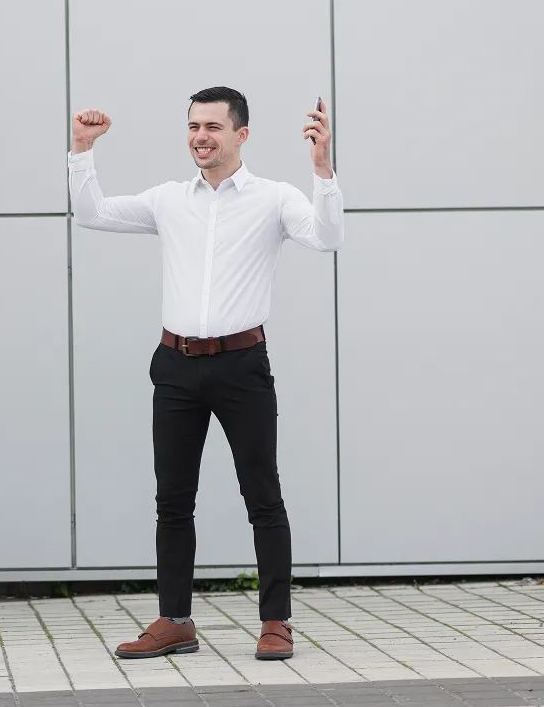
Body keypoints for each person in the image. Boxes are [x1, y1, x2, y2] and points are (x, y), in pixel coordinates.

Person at [68, 87, 344, 661]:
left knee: (262, 497)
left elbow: (327, 238)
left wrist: (323, 173)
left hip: (242, 365)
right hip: (175, 367)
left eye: (214, 127)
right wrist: (81, 150)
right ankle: (175, 620)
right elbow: (91, 214)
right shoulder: (169, 200)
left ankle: (276, 621)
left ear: (241, 135)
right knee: (173, 501)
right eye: (194, 125)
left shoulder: (274, 198)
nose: (201, 136)